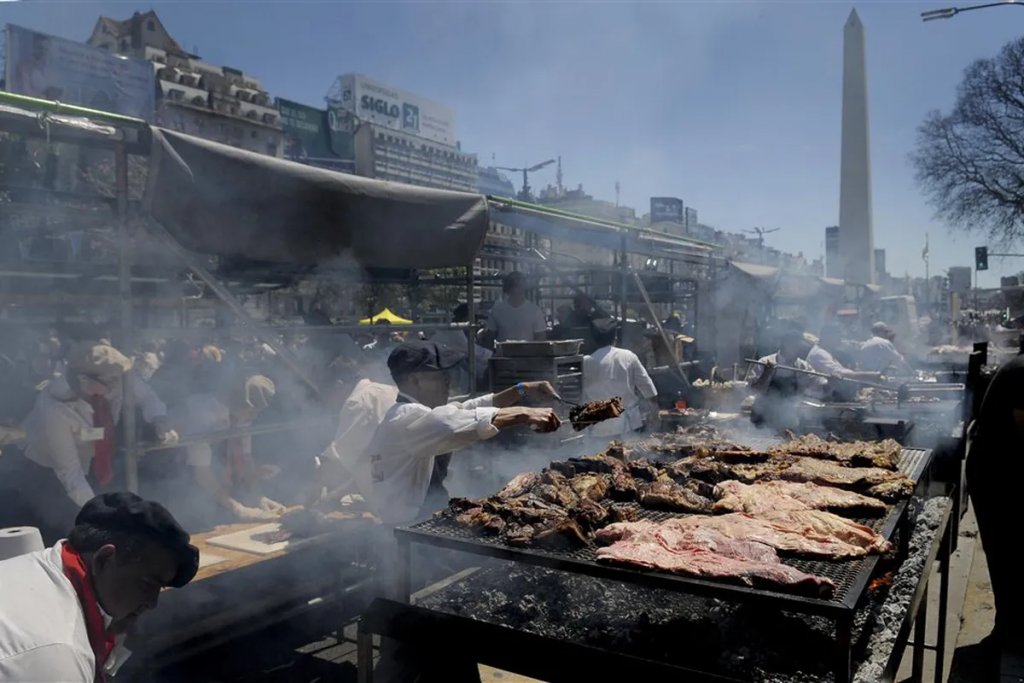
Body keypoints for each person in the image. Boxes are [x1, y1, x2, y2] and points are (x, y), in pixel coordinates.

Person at [0, 492, 198, 682]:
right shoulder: (60, 657)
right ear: (103, 559)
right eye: (148, 583)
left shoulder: (40, 564)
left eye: (160, 588)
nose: (152, 602)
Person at [362, 341, 561, 526]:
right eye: (440, 375)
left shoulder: (421, 415)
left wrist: (521, 389)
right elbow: (450, 424)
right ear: (415, 380)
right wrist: (524, 413)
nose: (448, 380)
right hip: (409, 528)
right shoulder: (405, 417)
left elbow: (466, 410)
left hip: (429, 518)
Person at [15, 342, 174, 543]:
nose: (119, 385)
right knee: (70, 527)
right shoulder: (54, 408)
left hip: (93, 460)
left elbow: (150, 398)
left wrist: (159, 419)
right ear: (83, 380)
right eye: (112, 381)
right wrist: (103, 514)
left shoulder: (118, 376)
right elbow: (70, 473)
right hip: (45, 469)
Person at [966, 354, 1024, 656]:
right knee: (1006, 551)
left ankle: (1011, 627)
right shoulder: (1022, 371)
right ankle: (1010, 632)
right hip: (994, 474)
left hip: (1001, 468)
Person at [179, 373, 287, 522]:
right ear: (238, 402)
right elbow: (201, 473)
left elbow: (246, 457)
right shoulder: (203, 415)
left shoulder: (243, 415)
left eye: (257, 411)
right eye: (251, 410)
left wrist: (259, 497)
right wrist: (238, 508)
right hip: (188, 487)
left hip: (225, 489)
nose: (254, 416)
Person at [582, 318, 659, 438]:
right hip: (627, 425)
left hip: (598, 428)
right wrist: (655, 414)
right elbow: (648, 388)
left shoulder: (585, 362)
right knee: (629, 454)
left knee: (600, 455)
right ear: (615, 337)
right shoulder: (628, 356)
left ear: (593, 339)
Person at [746, 330, 827, 429]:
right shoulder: (766, 362)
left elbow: (818, 381)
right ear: (784, 345)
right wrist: (767, 373)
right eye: (794, 345)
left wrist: (831, 381)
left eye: (799, 345)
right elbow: (753, 389)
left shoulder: (801, 365)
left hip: (786, 416)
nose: (799, 349)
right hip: (762, 415)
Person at [483, 271, 547, 344]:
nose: (519, 289)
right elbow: (489, 337)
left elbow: (541, 338)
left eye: (520, 285)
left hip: (528, 354)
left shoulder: (534, 310)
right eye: (515, 286)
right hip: (503, 354)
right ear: (508, 288)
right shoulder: (497, 310)